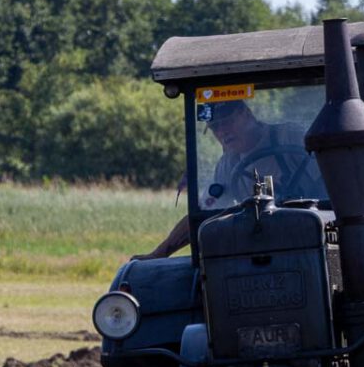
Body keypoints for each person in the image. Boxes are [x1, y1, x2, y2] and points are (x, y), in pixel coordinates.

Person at [134, 99, 322, 259]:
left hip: (311, 236)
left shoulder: (288, 136)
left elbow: (330, 182)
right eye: (215, 127)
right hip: (261, 245)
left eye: (227, 122)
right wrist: (158, 254)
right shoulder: (228, 164)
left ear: (246, 114)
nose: (222, 131)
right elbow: (203, 214)